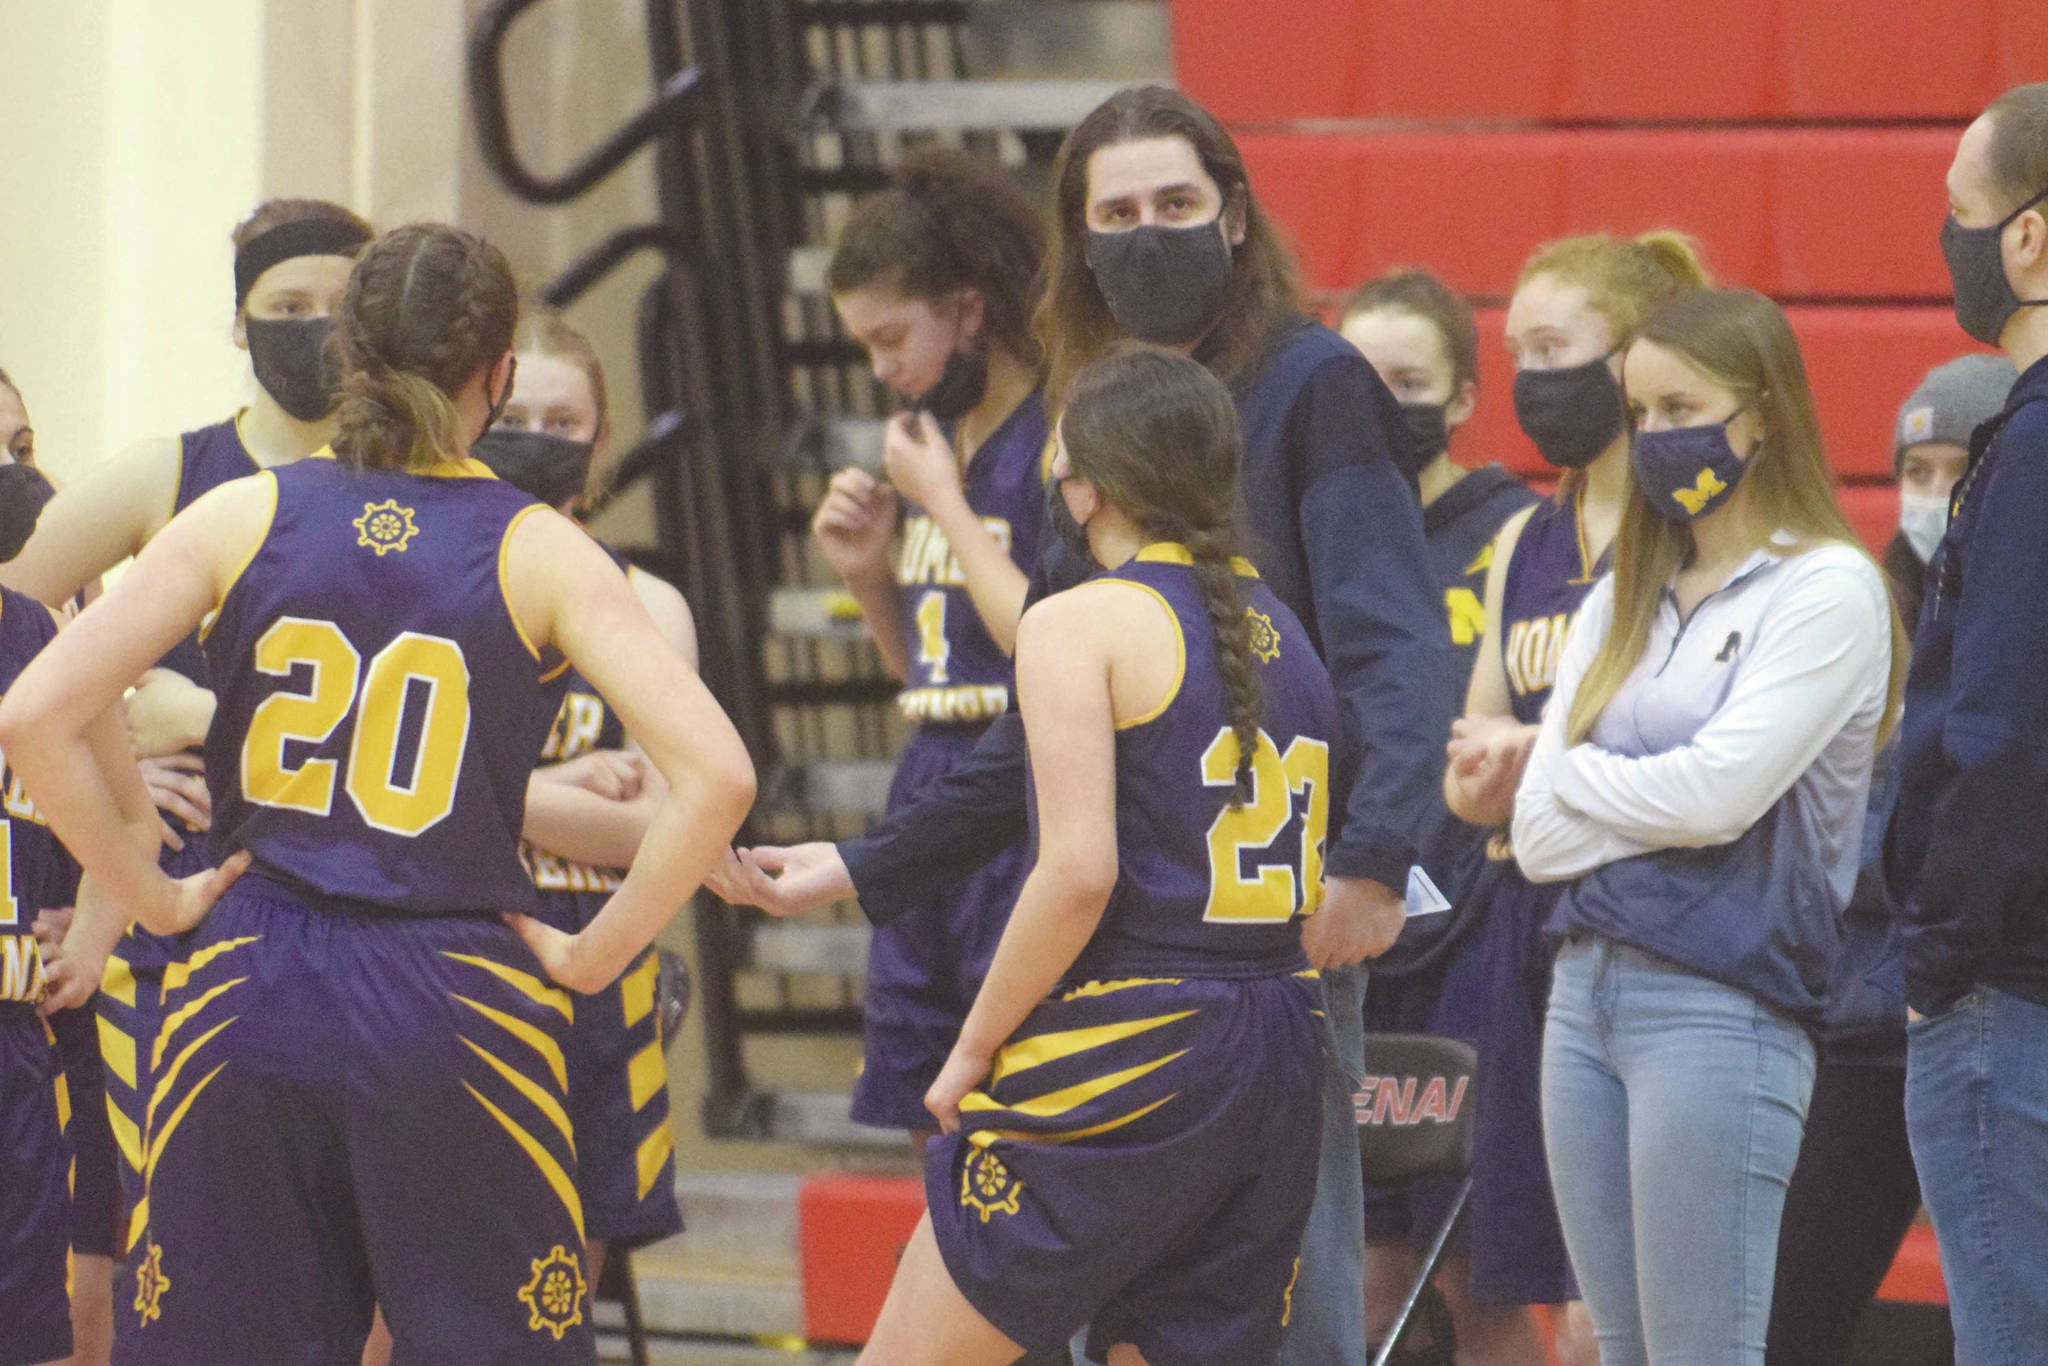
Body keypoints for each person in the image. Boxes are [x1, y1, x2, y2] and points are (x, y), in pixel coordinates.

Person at [712, 85, 1453, 1366]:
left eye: (1174, 203)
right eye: (1115, 212)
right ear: (1076, 234)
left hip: (1239, 940)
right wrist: (868, 861)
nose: (1146, 233)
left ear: (1232, 214)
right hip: (1171, 970)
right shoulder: (1091, 406)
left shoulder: (1312, 382)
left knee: (1291, 1318)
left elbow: (1396, 647)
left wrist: (1375, 855)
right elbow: (1043, 732)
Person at [13, 222, 756, 1365]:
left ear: (347, 359)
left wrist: (151, 901)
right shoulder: (540, 549)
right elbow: (721, 777)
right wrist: (592, 955)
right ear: (497, 378)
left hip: (246, 983)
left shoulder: (242, 511)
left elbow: (33, 714)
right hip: (455, 992)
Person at [858, 346, 1335, 1366]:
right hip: (1281, 1040)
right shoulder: (1287, 632)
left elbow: (1077, 870)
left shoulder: (1076, 621)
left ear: (1086, 485)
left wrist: (972, 1048)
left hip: (1143, 1034)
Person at [1512, 287, 1904, 1364]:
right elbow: (1535, 837)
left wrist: (1581, 773)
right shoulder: (1617, 598)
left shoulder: (1824, 587)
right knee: (1620, 1350)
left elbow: (1716, 798)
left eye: (1681, 404)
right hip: (1578, 996)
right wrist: (1636, 791)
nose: (1653, 435)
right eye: (1638, 412)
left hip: (1721, 1003)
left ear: (1762, 412)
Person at [0, 198, 374, 1251]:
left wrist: (202, 717)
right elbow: (15, 623)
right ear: (240, 320)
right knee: (171, 1248)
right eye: (287, 304)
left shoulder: (422, 487)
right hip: (192, 915)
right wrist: (112, 727)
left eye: (341, 305)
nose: (315, 326)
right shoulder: (168, 473)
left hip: (363, 894)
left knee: (356, 1241)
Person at [356, 309, 700, 1365]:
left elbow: (661, 822)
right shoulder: (411, 573)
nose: (542, 434)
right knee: (389, 1292)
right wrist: (554, 792)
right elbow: (376, 788)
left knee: (554, 1302)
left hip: (592, 964)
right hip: (438, 946)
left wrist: (496, 795)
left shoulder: (649, 602)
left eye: (569, 419)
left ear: (598, 445)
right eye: (524, 412)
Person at [1432, 232, 1708, 1365]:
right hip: (1523, 912)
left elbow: (1689, 734)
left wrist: (1528, 753)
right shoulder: (1517, 541)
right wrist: (1480, 775)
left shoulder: (1684, 526)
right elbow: (1467, 761)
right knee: (1526, 1268)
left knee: (1630, 1288)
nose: (1527, 376)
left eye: (1553, 348)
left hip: (1645, 914)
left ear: (1627, 360)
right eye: (1514, 352)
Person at [1765, 355, 2010, 1365]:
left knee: (1997, 1316)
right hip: (1858, 1027)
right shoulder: (1851, 612)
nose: (1932, 492)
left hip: (1992, 1018)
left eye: (1958, 465)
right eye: (1915, 467)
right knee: (1784, 1320)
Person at [1337, 269, 1554, 1364]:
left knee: (1481, 1280)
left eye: (1408, 380)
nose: (1384, 404)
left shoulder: (1520, 530)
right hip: (1352, 923)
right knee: (1369, 1286)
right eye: (1358, 380)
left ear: (1464, 395)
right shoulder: (1318, 534)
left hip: (1482, 926)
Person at [809, 148, 1047, 1139]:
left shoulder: (1056, 440)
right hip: (931, 776)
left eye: (892, 336)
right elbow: (928, 671)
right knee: (922, 1104)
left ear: (969, 308)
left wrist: (942, 508)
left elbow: (1049, 648)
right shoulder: (933, 443)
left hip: (1021, 792)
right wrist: (869, 574)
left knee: (1010, 1102)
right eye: (863, 346)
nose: (882, 369)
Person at [1889, 80, 2048, 1366]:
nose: (1945, 241)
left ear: (2028, 237)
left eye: (1957, 212)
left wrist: (1935, 962)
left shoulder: (2033, 448)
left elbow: (1997, 736)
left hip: (2004, 990)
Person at [0, 394, 81, 1366]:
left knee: (29, 1336)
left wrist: (93, 910)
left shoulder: (37, 633)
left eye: (20, 446)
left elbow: (102, 807)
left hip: (19, 1040)